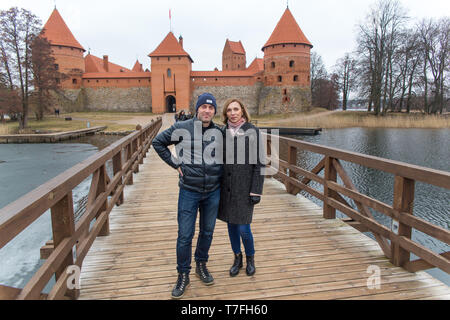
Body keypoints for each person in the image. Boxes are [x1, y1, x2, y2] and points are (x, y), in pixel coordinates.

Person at [152, 93, 223, 299]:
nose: (207, 111)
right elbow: (158, 143)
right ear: (197, 108)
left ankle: (201, 264)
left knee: (207, 232)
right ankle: (183, 274)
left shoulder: (220, 132)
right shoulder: (182, 127)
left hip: (212, 191)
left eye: (211, 108)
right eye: (204, 107)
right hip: (189, 190)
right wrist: (176, 163)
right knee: (185, 235)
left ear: (214, 111)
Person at [218, 98, 265, 277]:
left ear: (243, 111)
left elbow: (260, 163)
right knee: (231, 226)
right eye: (229, 110)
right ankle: (237, 258)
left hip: (245, 189)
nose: (233, 113)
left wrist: (256, 190)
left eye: (236, 109)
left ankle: (250, 258)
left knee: (244, 228)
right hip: (226, 188)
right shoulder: (222, 132)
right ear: (226, 114)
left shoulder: (252, 131)